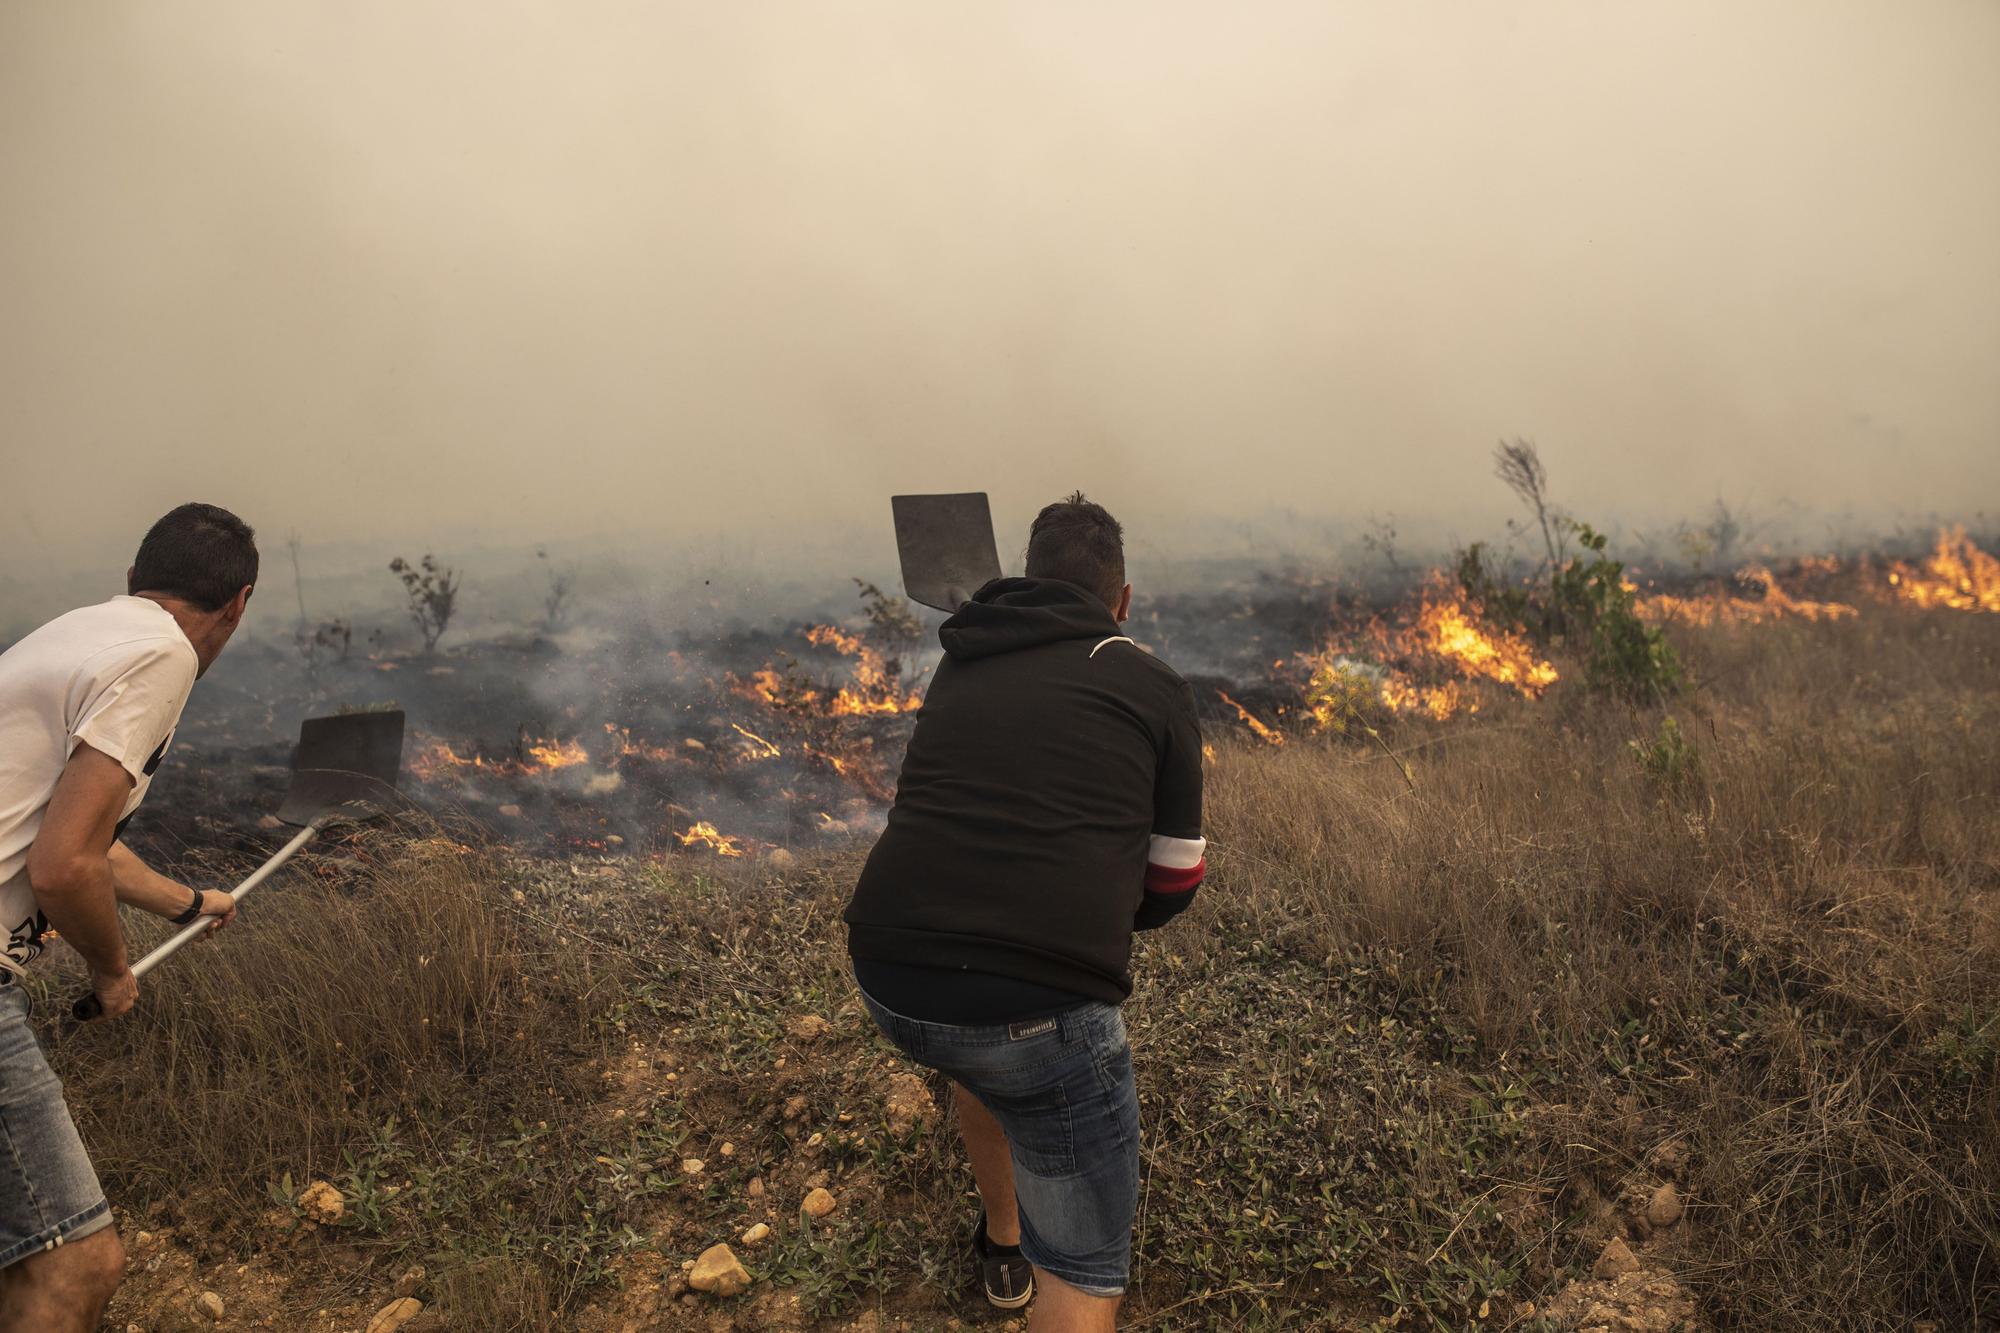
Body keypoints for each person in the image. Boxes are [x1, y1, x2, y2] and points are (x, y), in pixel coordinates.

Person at [844, 493, 1206, 1332]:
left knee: (992, 1048)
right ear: (1121, 600)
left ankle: (1005, 1239)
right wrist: (1094, 916)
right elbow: (1176, 880)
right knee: (1081, 1272)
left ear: (1027, 580)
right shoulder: (1154, 685)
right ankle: (1046, 1258)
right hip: (1035, 1010)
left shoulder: (962, 656)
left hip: (890, 974)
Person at [0, 503, 257, 1333]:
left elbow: (77, 839)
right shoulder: (163, 654)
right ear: (238, 604)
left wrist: (187, 901)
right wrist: (111, 970)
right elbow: (64, 864)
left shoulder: (73, 633)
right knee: (76, 1262)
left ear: (134, 580)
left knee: (23, 1257)